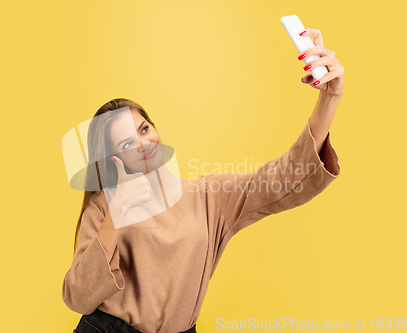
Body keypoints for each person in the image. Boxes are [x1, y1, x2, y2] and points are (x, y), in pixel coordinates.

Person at [62, 28, 344, 333]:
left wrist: (329, 98)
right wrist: (116, 217)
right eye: (127, 144)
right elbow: (78, 297)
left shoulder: (207, 197)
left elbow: (284, 177)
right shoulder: (105, 206)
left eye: (144, 129)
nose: (144, 144)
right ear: (112, 161)